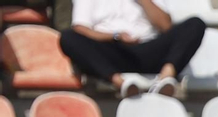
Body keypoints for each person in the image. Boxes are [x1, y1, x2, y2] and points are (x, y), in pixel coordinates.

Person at [59, 0, 206, 98]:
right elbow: (81, 28)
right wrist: (115, 36)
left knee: (195, 25)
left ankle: (165, 78)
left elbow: (166, 26)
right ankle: (120, 83)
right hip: (113, 49)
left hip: (149, 47)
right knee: (68, 38)